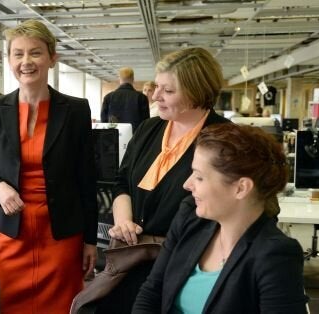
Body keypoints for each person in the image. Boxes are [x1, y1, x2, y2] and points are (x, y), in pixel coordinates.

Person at [0, 19, 97, 314]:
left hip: (62, 234)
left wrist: (90, 240)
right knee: (9, 306)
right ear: (9, 59)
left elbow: (86, 180)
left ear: (52, 58)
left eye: (35, 53)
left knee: (60, 306)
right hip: (12, 232)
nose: (26, 61)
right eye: (18, 54)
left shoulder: (76, 110)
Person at [101, 47, 231, 313]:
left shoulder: (225, 139)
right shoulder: (149, 128)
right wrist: (123, 220)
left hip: (186, 261)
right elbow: (123, 181)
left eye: (168, 91)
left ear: (197, 92)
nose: (155, 96)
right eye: (157, 87)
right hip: (133, 257)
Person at [132, 123, 308, 313]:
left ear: (241, 188)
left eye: (199, 177)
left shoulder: (275, 255)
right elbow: (151, 291)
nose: (187, 184)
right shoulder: (189, 217)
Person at [101, 67, 149, 131]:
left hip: (114, 137)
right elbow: (146, 123)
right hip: (135, 138)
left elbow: (104, 121)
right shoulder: (142, 98)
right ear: (133, 79)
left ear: (119, 78)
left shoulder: (108, 97)